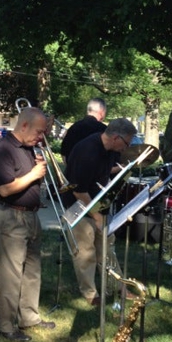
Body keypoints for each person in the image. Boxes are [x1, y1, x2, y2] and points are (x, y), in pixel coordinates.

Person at [0, 107, 56, 342]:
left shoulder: (29, 149)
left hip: (31, 216)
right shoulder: (2, 150)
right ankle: (5, 325)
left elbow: (30, 181)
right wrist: (34, 174)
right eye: (39, 131)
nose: (41, 137)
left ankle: (29, 317)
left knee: (32, 271)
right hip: (11, 217)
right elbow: (4, 189)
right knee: (10, 275)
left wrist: (40, 173)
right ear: (24, 125)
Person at [62, 118, 137, 306]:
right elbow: (78, 190)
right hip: (78, 205)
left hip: (98, 203)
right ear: (116, 137)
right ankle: (90, 294)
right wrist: (96, 216)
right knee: (85, 251)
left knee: (106, 247)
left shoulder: (110, 151)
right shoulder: (87, 150)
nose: (126, 147)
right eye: (127, 143)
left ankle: (120, 287)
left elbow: (102, 173)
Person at [60, 97, 108, 164]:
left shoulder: (73, 127)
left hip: (74, 172)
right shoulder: (104, 130)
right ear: (102, 111)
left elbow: (64, 154)